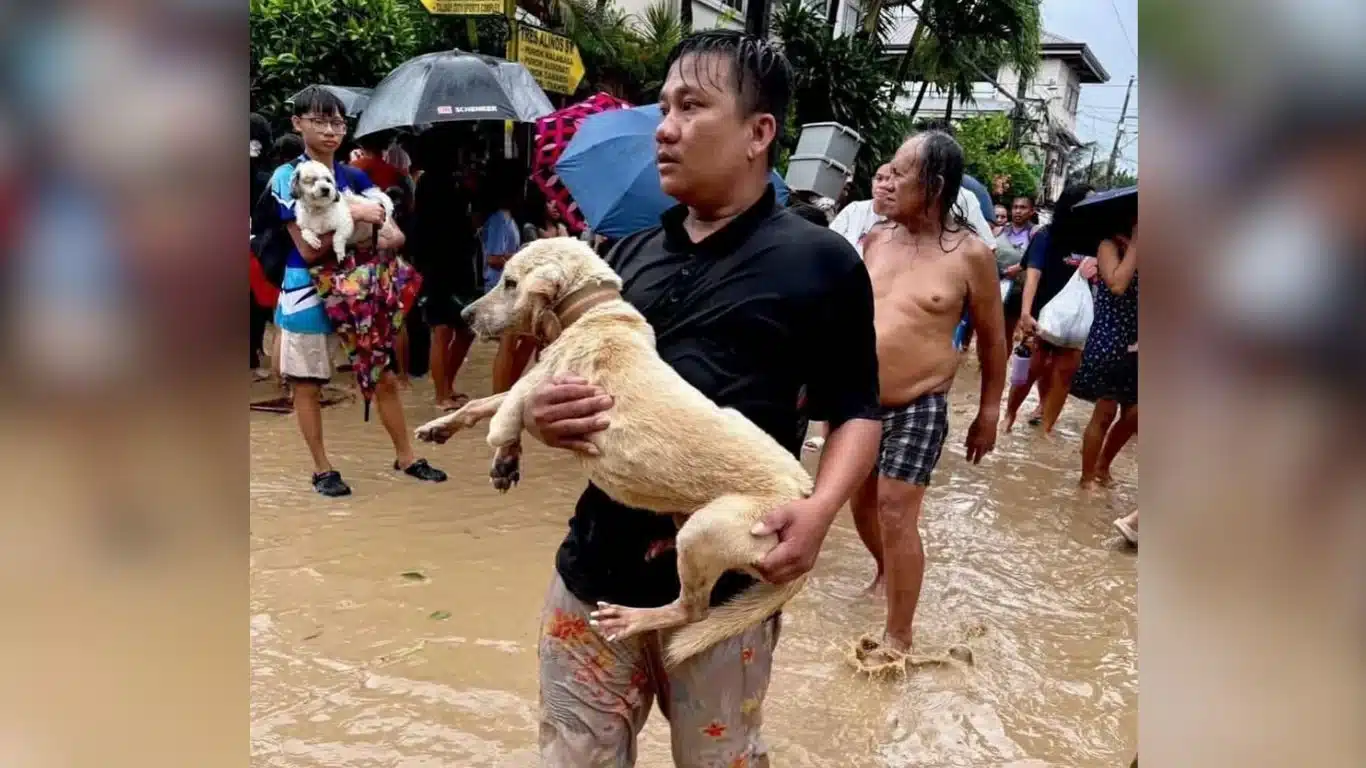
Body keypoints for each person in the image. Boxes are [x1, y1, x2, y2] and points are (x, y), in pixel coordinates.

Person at [524, 31, 881, 766]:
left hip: (725, 591)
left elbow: (856, 411)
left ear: (759, 133)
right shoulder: (623, 258)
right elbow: (567, 386)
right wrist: (539, 416)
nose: (664, 127)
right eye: (663, 107)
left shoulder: (822, 262)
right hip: (589, 577)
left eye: (691, 105)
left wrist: (817, 516)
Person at [850, 131, 1006, 655]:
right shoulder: (875, 238)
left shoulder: (972, 255)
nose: (886, 181)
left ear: (934, 186)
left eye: (900, 173)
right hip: (857, 398)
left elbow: (993, 338)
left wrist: (988, 411)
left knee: (896, 511)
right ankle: (884, 568)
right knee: (861, 505)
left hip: (921, 400)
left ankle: (899, 637)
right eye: (887, 172)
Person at [267, 86, 446, 496]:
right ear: (297, 124)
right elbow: (305, 249)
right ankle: (321, 468)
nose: (330, 131)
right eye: (319, 121)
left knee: (382, 374)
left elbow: (394, 236)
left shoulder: (356, 175)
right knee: (307, 382)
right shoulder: (287, 177)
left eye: (337, 122)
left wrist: (374, 225)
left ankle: (406, 456)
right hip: (304, 290)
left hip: (360, 291)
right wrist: (357, 215)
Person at [1003, 184, 1097, 433]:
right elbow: (1032, 276)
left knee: (1063, 376)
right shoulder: (1046, 235)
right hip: (1041, 315)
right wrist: (1025, 313)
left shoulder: (1096, 240)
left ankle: (1046, 428)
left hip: (1075, 322)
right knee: (1031, 369)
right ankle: (1009, 416)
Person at [409, 148, 480, 410]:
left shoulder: (438, 184)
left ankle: (446, 387)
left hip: (449, 267)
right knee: (444, 330)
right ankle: (441, 394)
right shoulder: (440, 185)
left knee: (462, 330)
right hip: (442, 267)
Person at [1072, 222, 1139, 487]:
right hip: (1110, 338)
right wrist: (1136, 242)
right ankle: (1087, 478)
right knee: (1105, 412)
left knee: (1137, 415)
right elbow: (1117, 285)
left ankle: (1103, 465)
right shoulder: (1108, 246)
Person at [481, 185, 535, 394]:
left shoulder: (508, 219)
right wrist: (521, 258)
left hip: (510, 286)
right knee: (508, 341)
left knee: (524, 339)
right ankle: (500, 392)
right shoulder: (498, 221)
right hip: (500, 286)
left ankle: (507, 388)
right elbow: (493, 258)